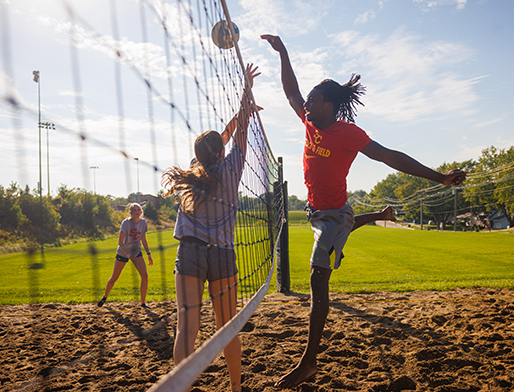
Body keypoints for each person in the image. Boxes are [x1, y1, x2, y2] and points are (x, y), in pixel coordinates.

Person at [261, 34, 467, 389]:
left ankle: (308, 362)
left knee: (316, 275)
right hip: (316, 212)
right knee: (331, 242)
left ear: (330, 105)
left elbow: (391, 156)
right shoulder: (311, 123)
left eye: (314, 99)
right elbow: (291, 92)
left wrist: (440, 177)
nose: (306, 103)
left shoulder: (348, 133)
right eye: (308, 100)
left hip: (334, 215)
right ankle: (376, 217)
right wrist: (284, 53)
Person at [161, 63, 260, 392]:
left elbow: (224, 137)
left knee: (186, 329)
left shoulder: (192, 172)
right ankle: (235, 387)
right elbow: (238, 133)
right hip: (221, 255)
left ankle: (182, 388)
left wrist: (242, 110)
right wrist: (246, 96)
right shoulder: (232, 168)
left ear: (197, 154)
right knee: (226, 328)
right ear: (221, 152)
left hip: (189, 252)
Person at [98, 202, 153, 308]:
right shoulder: (125, 223)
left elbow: (144, 240)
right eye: (134, 210)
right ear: (130, 212)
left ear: (141, 212)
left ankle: (142, 303)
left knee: (145, 275)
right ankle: (104, 297)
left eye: (138, 210)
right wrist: (128, 254)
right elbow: (120, 242)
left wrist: (148, 254)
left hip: (136, 251)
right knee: (114, 277)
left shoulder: (143, 223)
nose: (137, 212)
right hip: (123, 252)